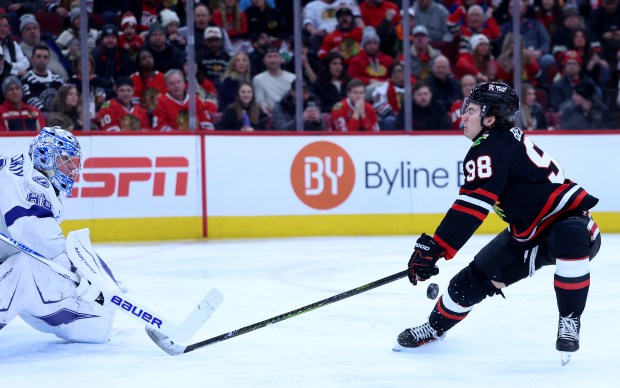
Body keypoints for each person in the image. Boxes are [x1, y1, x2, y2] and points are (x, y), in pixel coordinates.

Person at [394, 82, 601, 366]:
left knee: (569, 235)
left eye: (472, 110)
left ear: (490, 119)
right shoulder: (499, 141)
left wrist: (436, 248)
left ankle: (569, 320)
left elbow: (471, 208)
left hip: (569, 222)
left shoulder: (490, 150)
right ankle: (434, 328)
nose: (463, 115)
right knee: (466, 284)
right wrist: (437, 248)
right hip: (526, 234)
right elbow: (472, 205)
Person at [0, 127, 116, 343]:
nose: (73, 168)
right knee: (24, 269)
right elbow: (40, 242)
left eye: (74, 161)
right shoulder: (31, 184)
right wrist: (81, 273)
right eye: (66, 160)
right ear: (46, 157)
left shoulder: (15, 163)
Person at [20, 44, 65, 112]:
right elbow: (31, 102)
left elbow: (66, 97)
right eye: (38, 57)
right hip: (38, 117)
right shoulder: (26, 80)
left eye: (45, 57)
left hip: (59, 115)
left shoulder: (58, 78)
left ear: (48, 59)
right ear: (32, 59)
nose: (42, 60)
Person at [252, 45, 296, 114]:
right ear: (264, 60)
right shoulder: (258, 79)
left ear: (280, 59)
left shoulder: (293, 78)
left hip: (290, 114)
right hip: (269, 116)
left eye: (275, 56)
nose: (273, 60)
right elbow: (260, 101)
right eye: (269, 57)